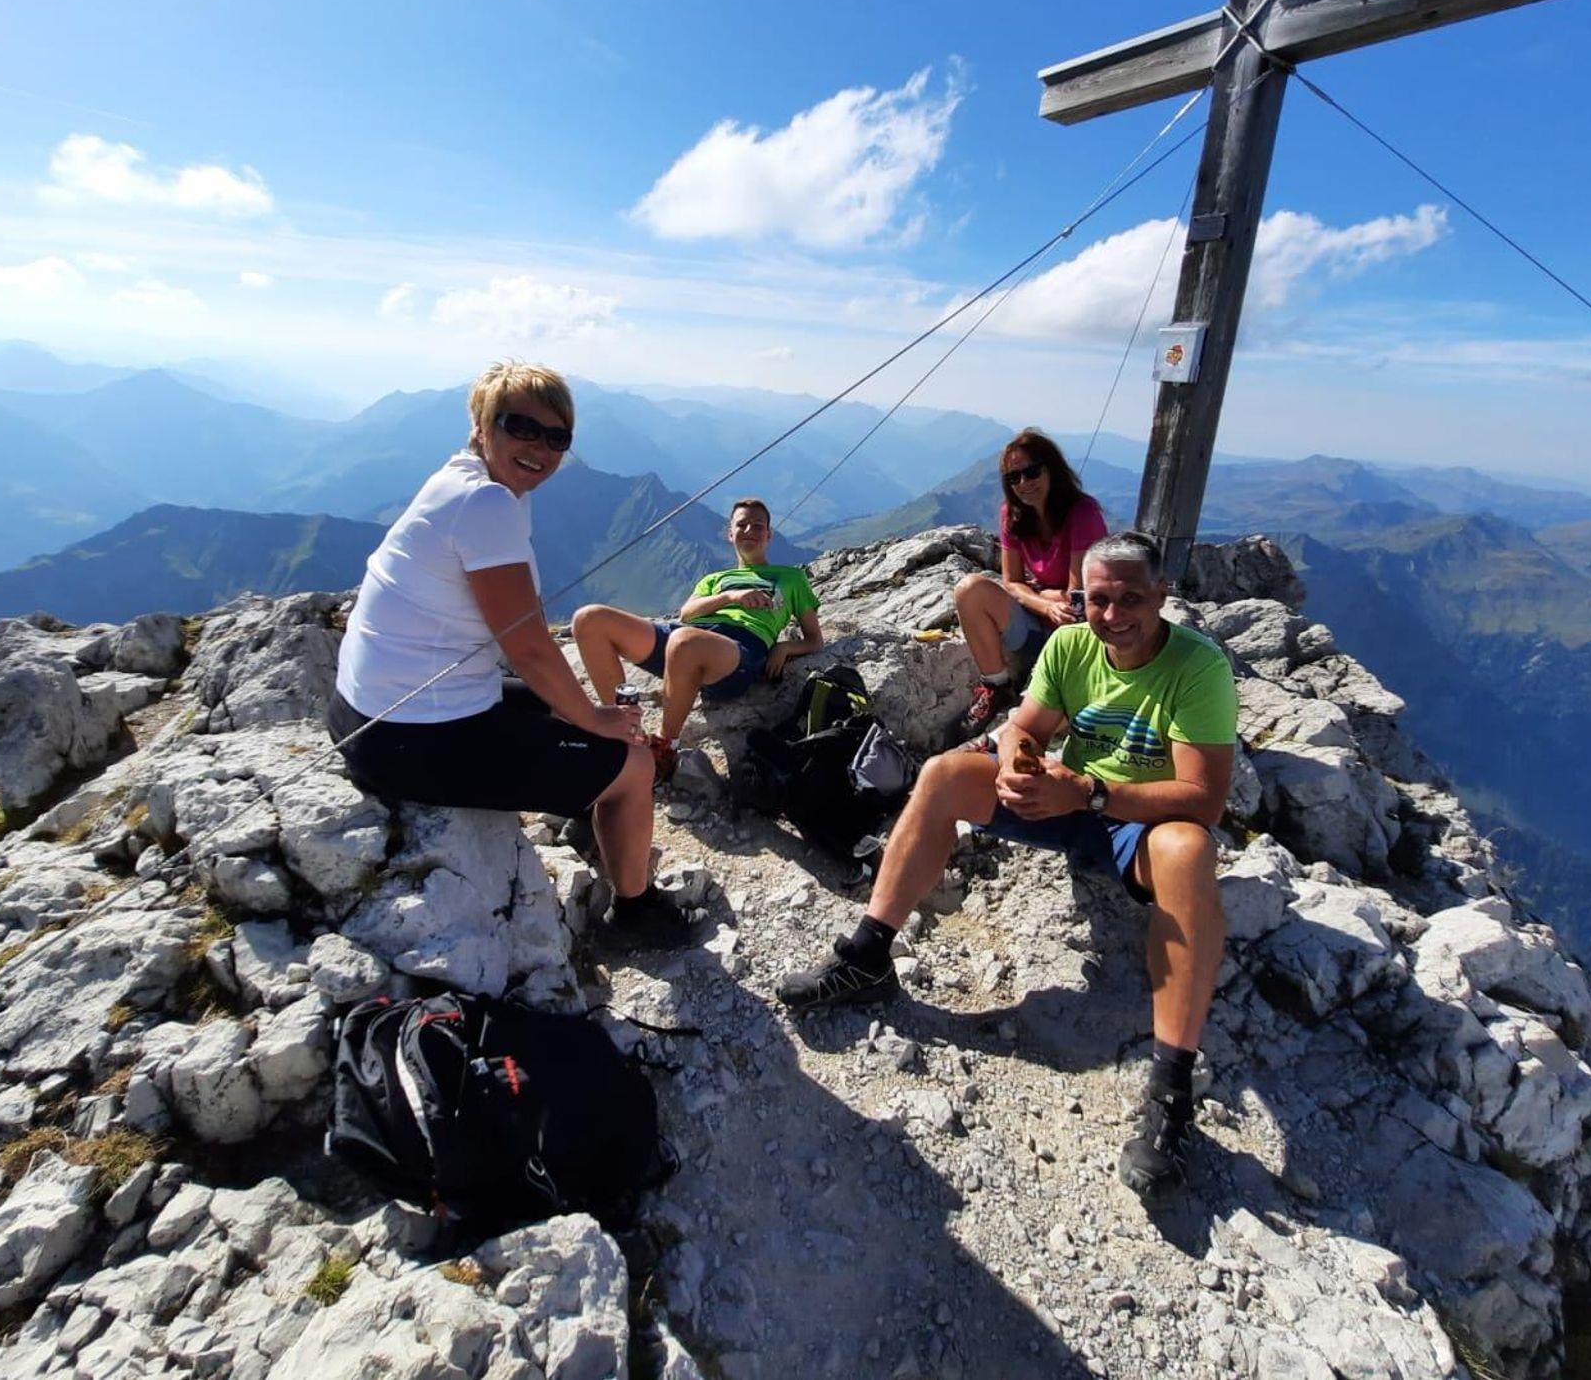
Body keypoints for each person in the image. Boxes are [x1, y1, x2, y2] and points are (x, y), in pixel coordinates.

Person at [776, 532, 1237, 1196]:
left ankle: (1171, 1087)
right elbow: (1027, 724)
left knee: (1189, 850)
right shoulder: (1072, 645)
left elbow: (1204, 798)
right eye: (1098, 599)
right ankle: (868, 955)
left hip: (1135, 823)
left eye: (1131, 599)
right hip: (1066, 799)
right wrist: (1019, 761)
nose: (1112, 615)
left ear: (1162, 595)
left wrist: (1089, 793)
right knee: (943, 775)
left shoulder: (1198, 667)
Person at [327, 360, 695, 949]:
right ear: (481, 425)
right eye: (520, 427)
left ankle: (591, 807)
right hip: (407, 739)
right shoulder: (486, 505)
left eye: (557, 437)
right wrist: (592, 717)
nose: (539, 448)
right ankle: (637, 914)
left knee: (558, 712)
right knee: (632, 763)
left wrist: (583, 717)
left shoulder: (465, 481)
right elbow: (527, 646)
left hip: (364, 714)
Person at [571, 498, 823, 776]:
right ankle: (625, 731)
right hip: (686, 636)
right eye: (742, 525)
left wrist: (785, 648)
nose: (749, 530)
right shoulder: (714, 579)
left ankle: (665, 748)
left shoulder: (791, 578)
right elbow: (687, 613)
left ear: (769, 535)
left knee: (684, 641)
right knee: (590, 619)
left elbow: (815, 639)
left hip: (739, 647)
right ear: (730, 533)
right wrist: (731, 596)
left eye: (758, 526)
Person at [954, 429, 1107, 738]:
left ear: (1052, 469)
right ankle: (996, 686)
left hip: (1074, 632)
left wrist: (1038, 594)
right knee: (969, 590)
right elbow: (1011, 581)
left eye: (1032, 471)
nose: (1024, 483)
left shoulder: (1083, 513)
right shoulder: (1012, 515)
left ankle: (1040, 692)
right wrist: (1045, 603)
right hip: (1039, 622)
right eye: (1014, 477)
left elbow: (1078, 598)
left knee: (1033, 715)